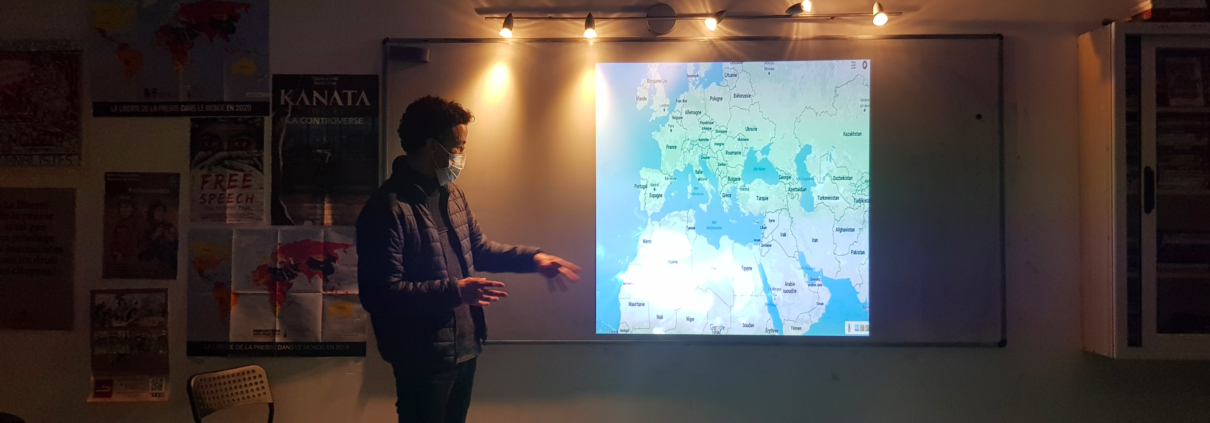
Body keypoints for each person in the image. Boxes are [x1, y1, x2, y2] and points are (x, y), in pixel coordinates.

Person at [356, 96, 581, 423]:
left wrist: (533, 260)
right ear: (432, 147)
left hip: (464, 349)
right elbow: (379, 293)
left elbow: (478, 249)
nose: (462, 154)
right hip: (422, 359)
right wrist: (456, 291)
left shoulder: (452, 195)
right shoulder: (387, 209)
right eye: (458, 146)